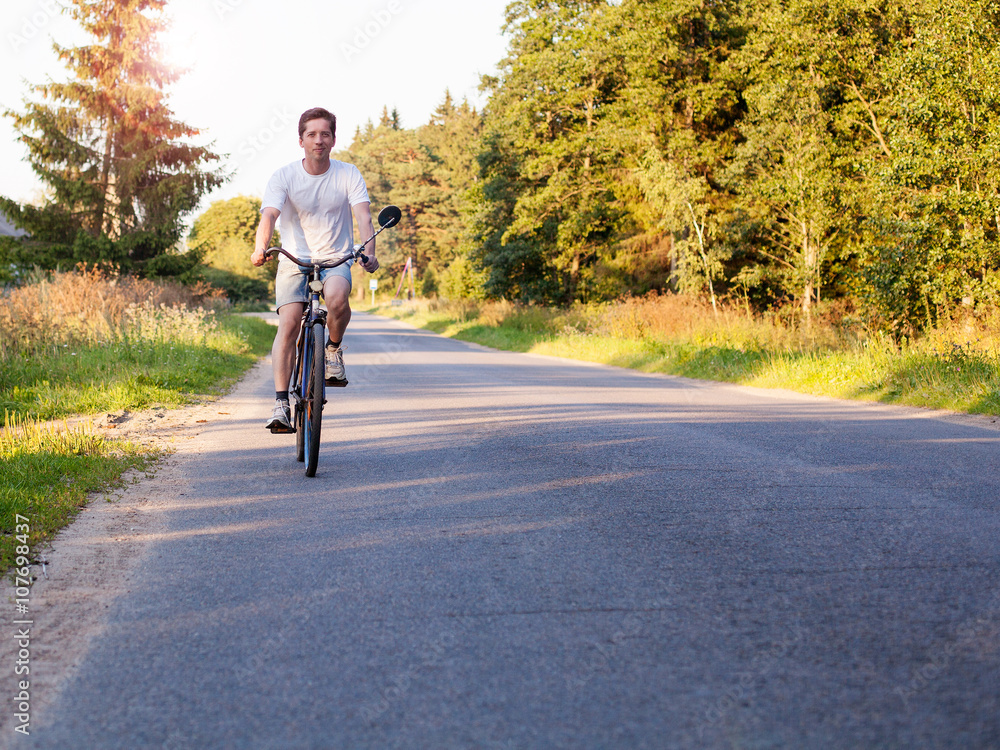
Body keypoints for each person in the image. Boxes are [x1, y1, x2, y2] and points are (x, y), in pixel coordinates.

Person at [250, 106, 379, 433]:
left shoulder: (348, 173)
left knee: (337, 300)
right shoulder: (284, 176)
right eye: (312, 134)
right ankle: (280, 403)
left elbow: (363, 216)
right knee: (290, 323)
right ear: (301, 140)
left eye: (325, 134)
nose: (318, 140)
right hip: (294, 260)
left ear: (333, 139)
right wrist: (259, 248)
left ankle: (332, 350)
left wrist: (369, 252)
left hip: (336, 258)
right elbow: (269, 216)